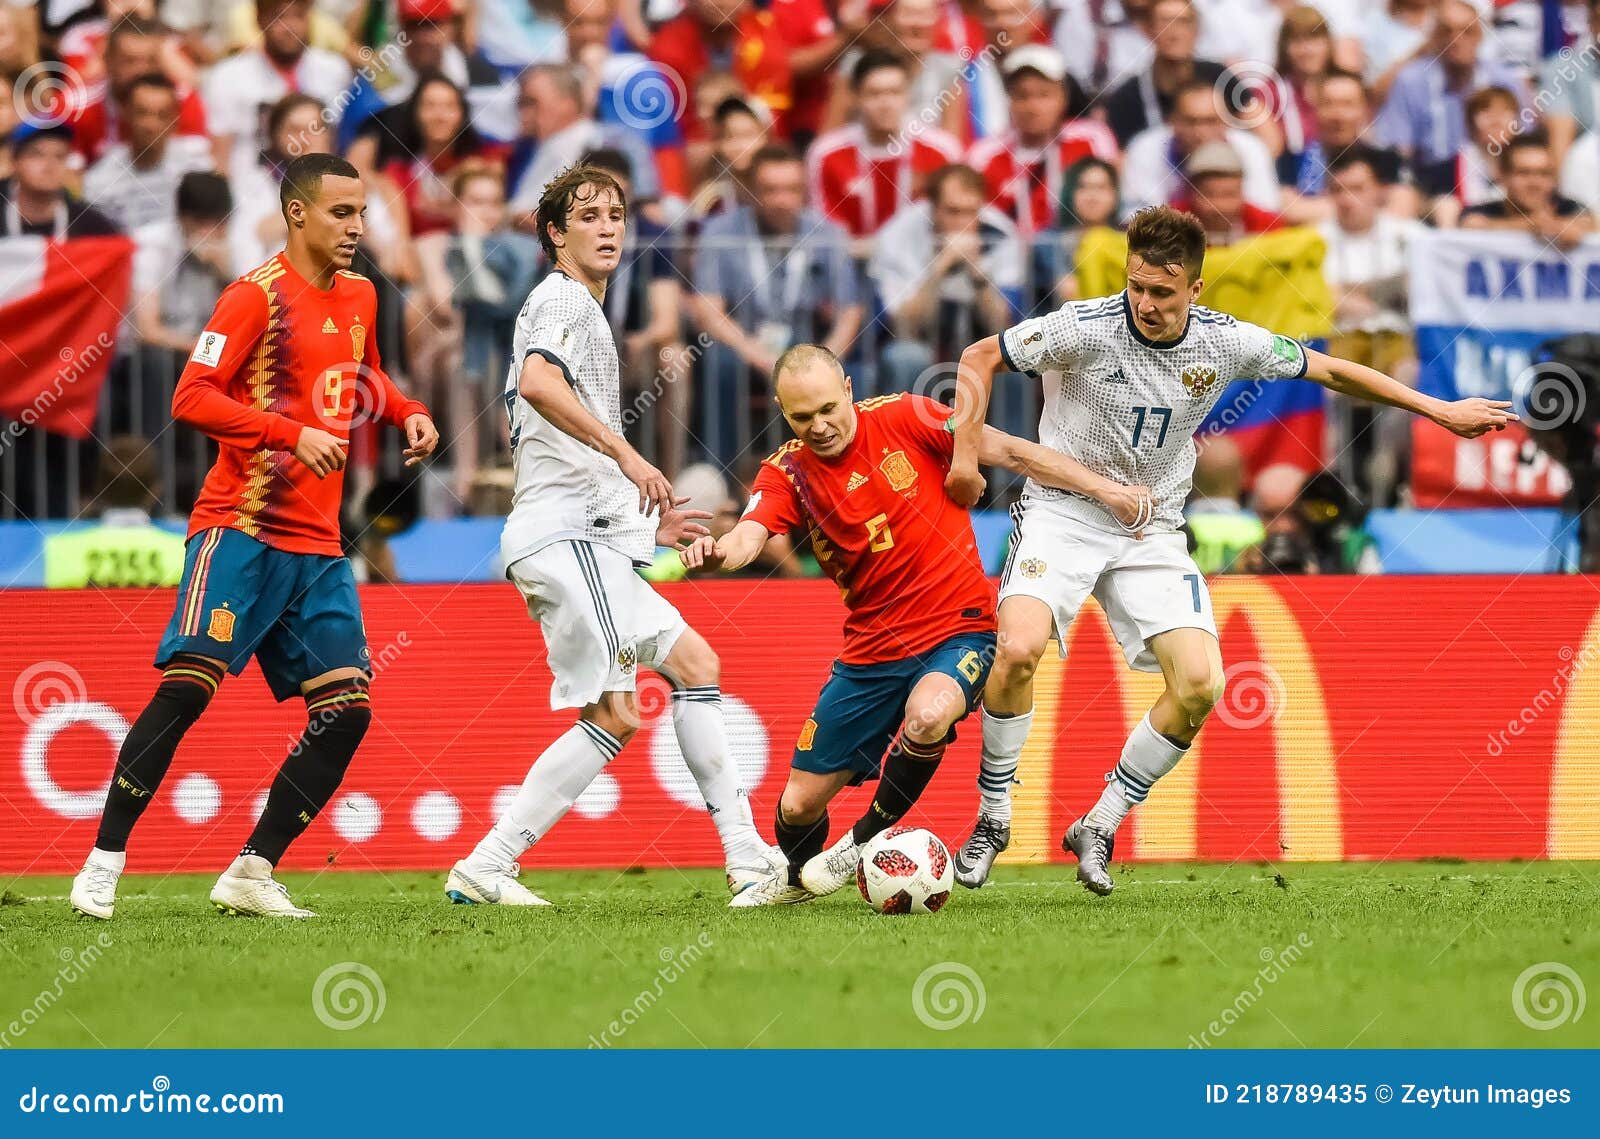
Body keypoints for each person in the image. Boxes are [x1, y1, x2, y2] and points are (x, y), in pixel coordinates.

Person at [943, 204, 1517, 893]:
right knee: (1017, 648)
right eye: (1137, 287)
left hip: (1150, 526)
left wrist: (1441, 410)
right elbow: (978, 356)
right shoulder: (1083, 326)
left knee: (1200, 686)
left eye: (1162, 291)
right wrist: (965, 454)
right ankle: (992, 816)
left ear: (1196, 290)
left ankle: (1099, 821)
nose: (1146, 304)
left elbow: (1331, 372)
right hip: (1062, 514)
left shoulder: (1227, 342)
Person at [68, 153, 439, 921]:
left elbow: (362, 375)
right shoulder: (252, 297)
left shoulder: (363, 293)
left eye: (363, 212)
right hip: (240, 527)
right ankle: (103, 862)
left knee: (347, 710)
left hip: (317, 545)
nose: (357, 227)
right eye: (342, 213)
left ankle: (251, 868)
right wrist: (288, 433)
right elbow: (191, 395)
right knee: (188, 686)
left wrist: (405, 410)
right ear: (297, 213)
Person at [680, 345, 1154, 906]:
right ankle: (799, 881)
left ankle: (856, 847)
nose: (820, 426)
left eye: (829, 408)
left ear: (850, 390)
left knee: (927, 717)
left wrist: (1107, 489)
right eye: (802, 417)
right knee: (797, 808)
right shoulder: (787, 471)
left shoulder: (906, 416)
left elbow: (1010, 451)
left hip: (960, 628)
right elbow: (749, 536)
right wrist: (718, 553)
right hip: (869, 653)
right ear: (784, 412)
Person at [445, 162, 783, 907]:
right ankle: (488, 862)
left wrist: (643, 519)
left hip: (585, 534)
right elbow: (538, 382)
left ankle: (746, 858)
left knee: (696, 663)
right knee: (616, 712)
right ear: (554, 234)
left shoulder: (580, 307)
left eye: (616, 216)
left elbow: (551, 434)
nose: (606, 228)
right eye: (588, 215)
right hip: (564, 540)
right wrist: (630, 455)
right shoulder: (561, 300)